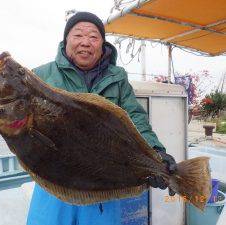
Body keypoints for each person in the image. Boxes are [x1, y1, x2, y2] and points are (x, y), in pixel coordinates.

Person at [26, 11, 176, 225]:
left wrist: (156, 153)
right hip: (53, 181)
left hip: (102, 185)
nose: (85, 42)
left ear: (103, 43)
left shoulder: (117, 77)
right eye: (78, 35)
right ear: (66, 40)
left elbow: (134, 118)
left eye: (93, 37)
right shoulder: (40, 76)